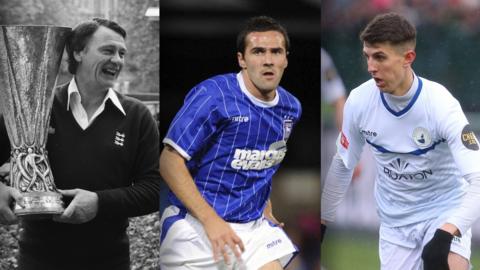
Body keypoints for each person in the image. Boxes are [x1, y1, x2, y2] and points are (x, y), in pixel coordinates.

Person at [321, 12, 480, 270]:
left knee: (449, 265)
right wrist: (323, 222)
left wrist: (447, 232)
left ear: (408, 58)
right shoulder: (359, 102)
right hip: (395, 225)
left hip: (443, 210)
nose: (371, 66)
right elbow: (343, 163)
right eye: (367, 56)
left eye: (380, 57)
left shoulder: (441, 105)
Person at [0, 18, 161, 270]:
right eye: (107, 50)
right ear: (78, 52)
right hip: (38, 259)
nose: (117, 60)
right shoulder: (32, 108)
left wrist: (99, 202)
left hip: (110, 261)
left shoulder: (137, 115)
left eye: (121, 53)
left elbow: (154, 188)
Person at [159, 16, 300, 270]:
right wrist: (211, 220)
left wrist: (265, 205)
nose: (268, 60)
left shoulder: (291, 108)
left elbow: (262, 159)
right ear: (242, 60)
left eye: (276, 52)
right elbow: (169, 161)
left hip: (253, 230)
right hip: (195, 226)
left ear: (285, 59)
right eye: (258, 51)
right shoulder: (213, 96)